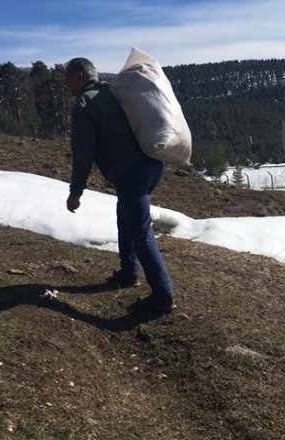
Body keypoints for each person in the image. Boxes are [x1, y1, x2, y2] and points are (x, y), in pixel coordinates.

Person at [64, 57, 175, 314]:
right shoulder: (111, 91)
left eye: (67, 78)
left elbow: (83, 153)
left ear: (79, 75)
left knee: (139, 231)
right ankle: (128, 272)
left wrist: (75, 192)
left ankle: (163, 294)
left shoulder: (85, 104)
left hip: (130, 170)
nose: (65, 84)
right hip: (153, 164)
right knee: (124, 213)